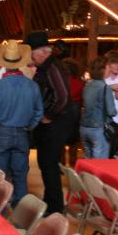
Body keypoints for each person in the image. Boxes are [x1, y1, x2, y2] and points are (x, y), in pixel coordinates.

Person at [0, 40, 44, 207]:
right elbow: (39, 112)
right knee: (20, 175)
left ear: (4, 63)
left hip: (0, 133)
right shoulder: (32, 86)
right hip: (22, 133)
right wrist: (29, 126)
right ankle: (20, 213)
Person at [26, 31, 77, 215]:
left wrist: (48, 115)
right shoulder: (45, 68)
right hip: (51, 124)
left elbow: (62, 97)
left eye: (32, 54)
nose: (31, 58)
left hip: (55, 124)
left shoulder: (53, 68)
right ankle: (50, 203)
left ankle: (55, 207)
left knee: (49, 165)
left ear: (41, 52)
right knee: (46, 164)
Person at [79, 56, 115, 160]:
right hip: (98, 129)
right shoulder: (105, 88)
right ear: (102, 69)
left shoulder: (87, 86)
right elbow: (111, 111)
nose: (110, 70)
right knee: (99, 164)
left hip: (84, 127)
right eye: (108, 67)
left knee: (88, 162)